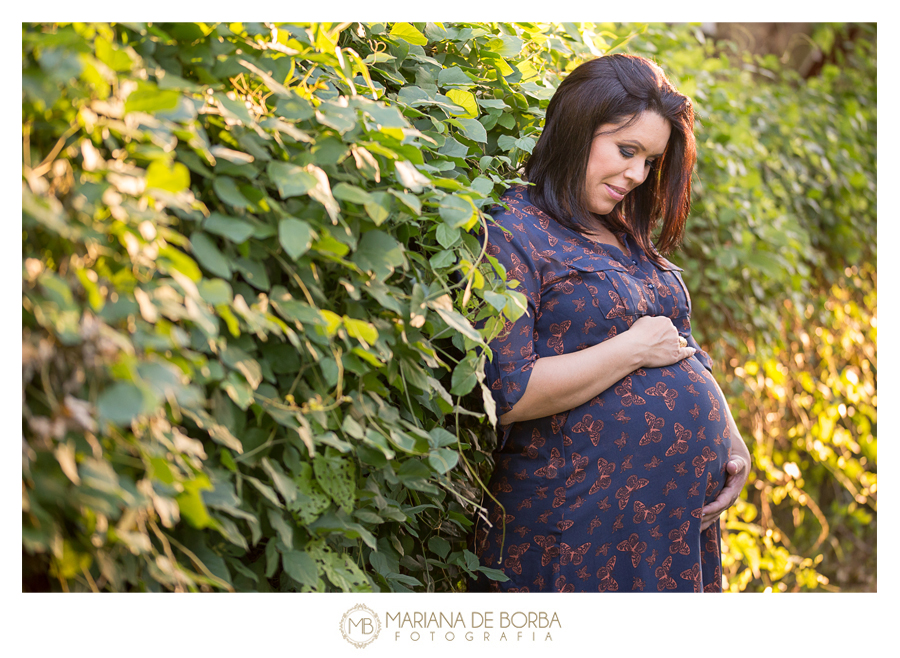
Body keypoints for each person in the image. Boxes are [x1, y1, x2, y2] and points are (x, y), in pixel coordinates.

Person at [469, 53, 751, 592]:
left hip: (670, 531)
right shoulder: (513, 231)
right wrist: (632, 350)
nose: (637, 175)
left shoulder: (626, 237)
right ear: (577, 128)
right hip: (575, 526)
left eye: (649, 160)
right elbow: (508, 394)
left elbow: (681, 347)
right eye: (627, 151)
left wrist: (732, 444)